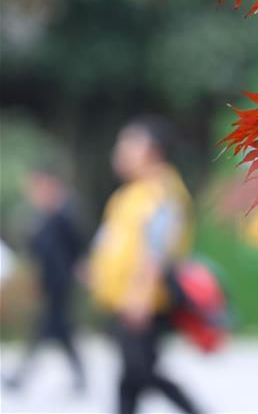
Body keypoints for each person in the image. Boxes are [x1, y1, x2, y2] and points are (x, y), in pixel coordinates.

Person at [88, 117, 201, 414]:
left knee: (141, 373)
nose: (118, 152)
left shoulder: (162, 192)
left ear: (151, 149)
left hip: (144, 303)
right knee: (131, 376)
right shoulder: (128, 194)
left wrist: (139, 297)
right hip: (123, 300)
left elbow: (157, 251)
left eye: (126, 144)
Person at [3, 164, 86, 392]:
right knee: (60, 332)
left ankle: (20, 377)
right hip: (49, 281)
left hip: (63, 282)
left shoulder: (65, 209)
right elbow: (37, 248)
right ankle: (79, 375)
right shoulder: (41, 213)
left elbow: (77, 243)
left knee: (45, 329)